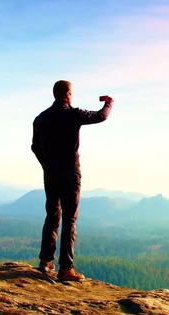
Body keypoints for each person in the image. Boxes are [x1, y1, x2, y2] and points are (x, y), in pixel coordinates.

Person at [31, 80, 113, 281]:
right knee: (69, 218)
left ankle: (45, 261)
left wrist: (46, 164)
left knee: (52, 215)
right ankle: (66, 268)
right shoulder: (72, 114)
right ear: (68, 94)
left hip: (50, 173)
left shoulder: (40, 119)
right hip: (70, 172)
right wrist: (109, 103)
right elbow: (101, 116)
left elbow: (34, 147)